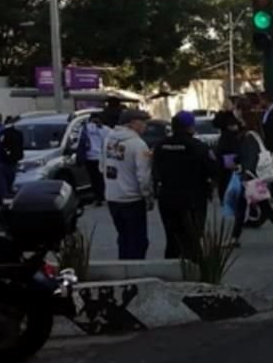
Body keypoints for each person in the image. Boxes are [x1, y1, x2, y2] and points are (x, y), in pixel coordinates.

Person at [152, 111, 215, 262]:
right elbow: (212, 169)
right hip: (193, 198)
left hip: (167, 197)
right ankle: (194, 274)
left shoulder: (160, 146)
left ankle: (170, 272)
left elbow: (155, 171)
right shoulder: (198, 146)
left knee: (172, 239)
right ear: (190, 127)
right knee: (192, 239)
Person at [102, 109, 153, 260]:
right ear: (133, 123)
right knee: (138, 242)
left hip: (113, 197)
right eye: (143, 122)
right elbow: (143, 176)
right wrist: (148, 197)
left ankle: (123, 270)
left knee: (123, 238)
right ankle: (134, 276)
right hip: (132, 199)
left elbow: (102, 166)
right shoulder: (138, 144)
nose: (145, 126)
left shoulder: (108, 140)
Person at [231, 114, 273, 247]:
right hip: (252, 177)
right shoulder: (254, 136)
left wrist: (246, 175)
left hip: (251, 178)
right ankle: (234, 237)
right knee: (243, 206)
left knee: (264, 207)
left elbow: (250, 157)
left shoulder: (249, 137)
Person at [81, 113, 110, 205]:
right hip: (101, 157)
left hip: (89, 157)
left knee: (93, 179)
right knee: (101, 178)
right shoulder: (105, 129)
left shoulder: (85, 128)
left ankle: (98, 197)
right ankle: (103, 196)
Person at [215, 112, 243, 203]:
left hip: (224, 176)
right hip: (231, 177)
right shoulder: (229, 137)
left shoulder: (223, 137)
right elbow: (229, 159)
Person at [0, 113, 22, 203]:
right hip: (12, 164)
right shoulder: (6, 130)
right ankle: (10, 205)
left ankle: (4, 210)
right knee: (8, 187)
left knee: (2, 190)